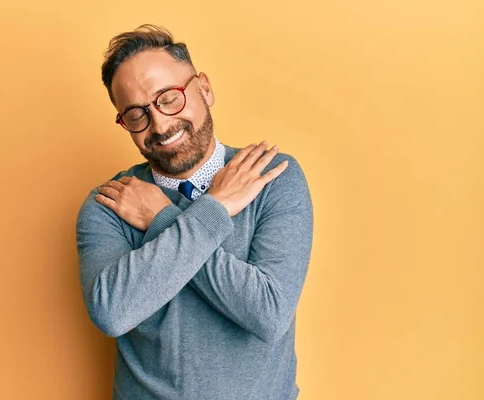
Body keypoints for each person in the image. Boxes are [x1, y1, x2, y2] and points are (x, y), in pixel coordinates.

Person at [76, 24, 313, 400]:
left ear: (204, 88)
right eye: (136, 115)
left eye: (169, 98)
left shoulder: (272, 177)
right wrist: (215, 209)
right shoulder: (111, 203)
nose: (160, 123)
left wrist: (162, 221)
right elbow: (112, 312)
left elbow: (269, 314)